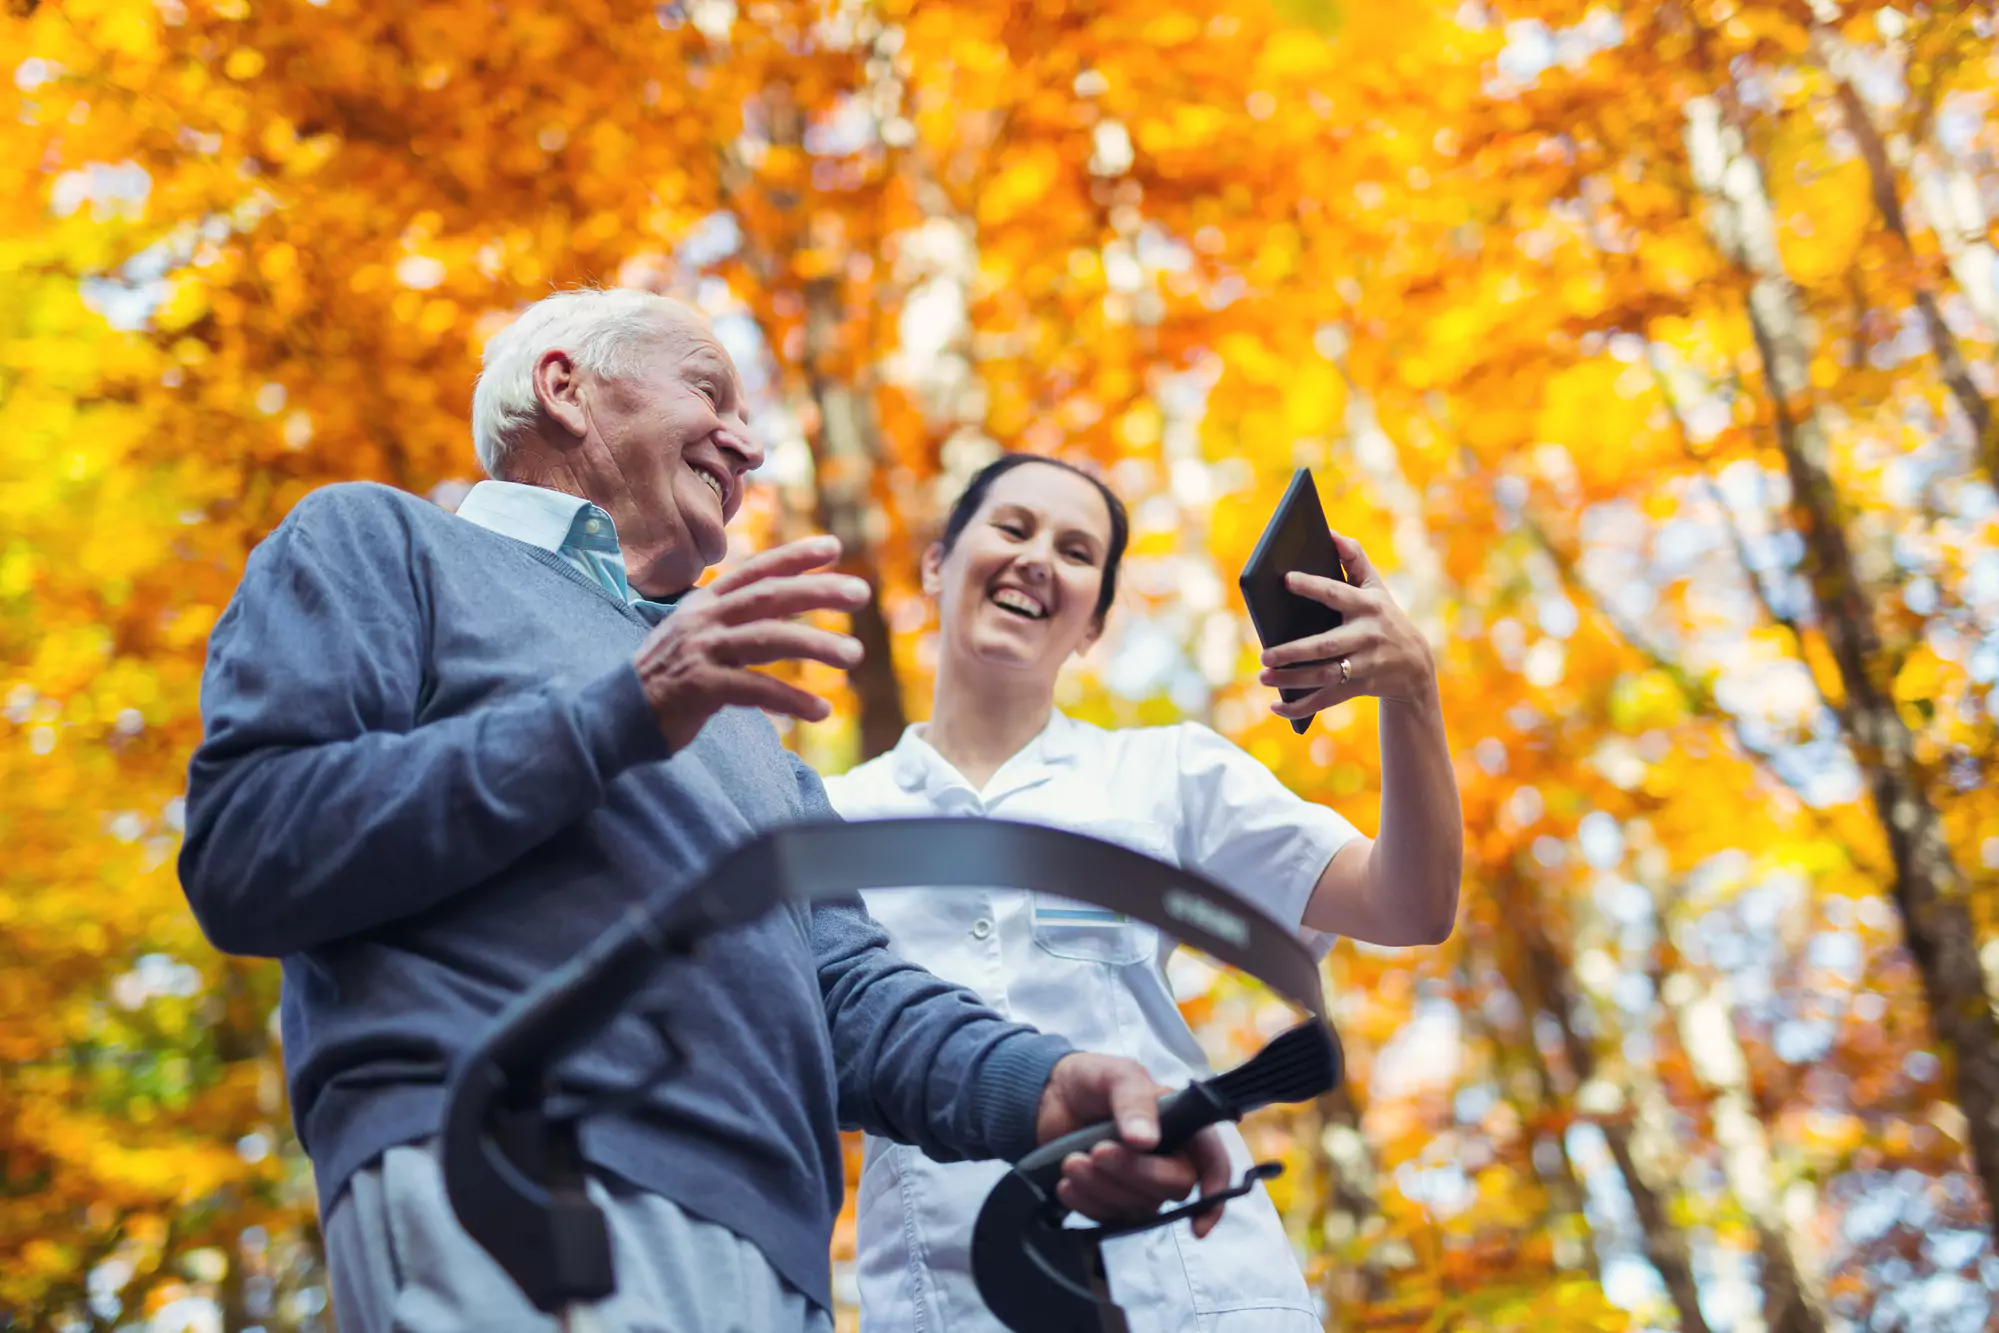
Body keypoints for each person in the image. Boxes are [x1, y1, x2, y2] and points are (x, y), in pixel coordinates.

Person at [177, 291, 1234, 1333]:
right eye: (710, 392)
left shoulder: (745, 733)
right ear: (565, 388)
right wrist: (618, 711)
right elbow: (253, 846)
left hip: (775, 1261)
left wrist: (1041, 1085)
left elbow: (845, 992)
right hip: (512, 1174)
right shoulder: (383, 544)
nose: (748, 445)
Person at [822, 453, 1464, 1332]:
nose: (1039, 557)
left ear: (1092, 626)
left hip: (1200, 1290)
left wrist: (1412, 692)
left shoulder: (1166, 773)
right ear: (937, 564)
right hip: (947, 1301)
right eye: (1012, 528)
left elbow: (1409, 906)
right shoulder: (829, 820)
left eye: (1077, 550)